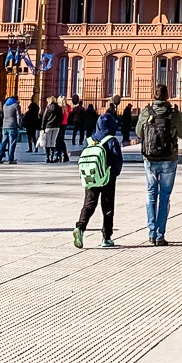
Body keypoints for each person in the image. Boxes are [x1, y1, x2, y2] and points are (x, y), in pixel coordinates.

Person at [137, 83, 182, 246]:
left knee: (150, 194)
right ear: (167, 96)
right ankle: (159, 235)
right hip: (169, 158)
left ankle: (150, 233)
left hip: (150, 158)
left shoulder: (147, 111)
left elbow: (138, 132)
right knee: (164, 196)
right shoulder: (173, 113)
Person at [73, 113, 124, 250]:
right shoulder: (112, 140)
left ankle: (80, 228)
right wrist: (113, 174)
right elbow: (117, 161)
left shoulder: (89, 140)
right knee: (107, 208)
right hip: (107, 178)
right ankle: (106, 237)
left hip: (91, 178)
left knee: (89, 204)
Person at [0, 96, 22, 163]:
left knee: (3, 142)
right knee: (12, 143)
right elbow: (18, 117)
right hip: (12, 126)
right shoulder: (16, 105)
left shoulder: (5, 105)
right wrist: (19, 125)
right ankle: (11, 159)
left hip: (5, 126)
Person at [41, 96, 62, 162]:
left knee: (48, 142)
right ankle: (52, 157)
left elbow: (44, 119)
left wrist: (42, 128)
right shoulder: (59, 108)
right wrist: (59, 123)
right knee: (53, 142)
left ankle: (48, 157)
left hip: (48, 126)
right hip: (56, 127)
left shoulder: (48, 108)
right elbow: (61, 117)